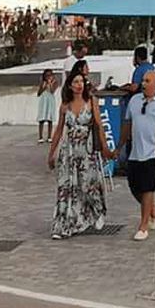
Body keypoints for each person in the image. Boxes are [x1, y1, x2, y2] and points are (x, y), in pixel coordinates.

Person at [48, 70, 114, 238]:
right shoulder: (64, 105)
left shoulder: (92, 102)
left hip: (87, 150)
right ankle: (63, 225)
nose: (79, 85)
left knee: (88, 185)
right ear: (70, 85)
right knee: (66, 188)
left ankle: (96, 211)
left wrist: (105, 148)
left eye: (81, 82)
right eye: (75, 82)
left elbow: (98, 125)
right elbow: (58, 130)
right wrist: (51, 153)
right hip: (68, 152)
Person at [121, 68, 155, 241]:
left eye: (148, 81)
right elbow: (127, 124)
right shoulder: (134, 101)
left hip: (153, 152)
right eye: (143, 81)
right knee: (134, 186)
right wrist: (119, 147)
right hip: (135, 151)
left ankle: (143, 225)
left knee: (148, 187)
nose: (144, 84)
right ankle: (152, 209)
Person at [36, 68, 59, 143]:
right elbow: (38, 93)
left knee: (50, 119)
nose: (48, 77)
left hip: (50, 100)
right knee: (41, 119)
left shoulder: (55, 82)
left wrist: (50, 84)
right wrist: (43, 86)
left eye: (50, 75)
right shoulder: (42, 82)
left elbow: (52, 91)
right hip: (43, 100)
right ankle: (40, 137)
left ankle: (49, 136)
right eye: (46, 75)